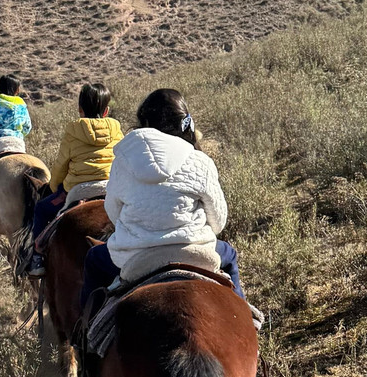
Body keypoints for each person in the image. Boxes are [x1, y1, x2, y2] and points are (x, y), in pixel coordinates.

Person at [81, 88, 245, 311]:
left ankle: (85, 338)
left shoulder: (123, 160)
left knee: (94, 260)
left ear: (144, 123)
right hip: (195, 251)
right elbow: (219, 221)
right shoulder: (200, 160)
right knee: (229, 254)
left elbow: (113, 211)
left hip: (136, 256)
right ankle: (247, 319)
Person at [24, 82, 123, 278]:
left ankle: (36, 258)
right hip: (113, 188)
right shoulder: (116, 129)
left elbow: (61, 165)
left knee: (42, 210)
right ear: (107, 111)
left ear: (80, 109)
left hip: (79, 190)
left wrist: (53, 187)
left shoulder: (74, 129)